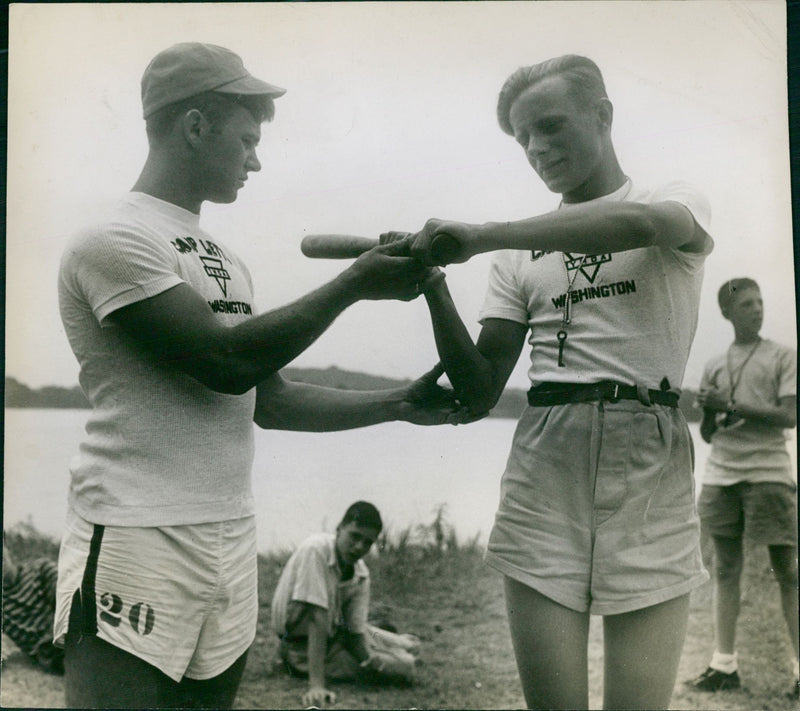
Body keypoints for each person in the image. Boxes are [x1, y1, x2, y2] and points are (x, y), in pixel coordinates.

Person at [54, 42, 469, 709]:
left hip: (228, 532)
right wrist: (356, 280)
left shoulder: (226, 259)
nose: (256, 158)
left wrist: (398, 402)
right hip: (138, 533)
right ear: (194, 126)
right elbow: (227, 362)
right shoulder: (112, 238)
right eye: (246, 139)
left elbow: (265, 398)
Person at [393, 54, 714, 709]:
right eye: (522, 138)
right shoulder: (514, 256)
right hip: (545, 463)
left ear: (602, 115)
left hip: (648, 457)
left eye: (550, 125)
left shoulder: (671, 198)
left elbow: (641, 227)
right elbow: (480, 391)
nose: (536, 148)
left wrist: (481, 233)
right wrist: (433, 287)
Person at [688, 278, 798, 698]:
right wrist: (711, 411)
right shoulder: (715, 363)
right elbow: (711, 434)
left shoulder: (783, 356)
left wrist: (728, 405)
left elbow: (789, 417)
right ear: (727, 313)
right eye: (746, 304)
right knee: (725, 569)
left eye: (759, 301)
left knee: (787, 571)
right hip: (721, 476)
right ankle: (724, 665)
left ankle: (799, 670)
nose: (756, 309)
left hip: (769, 472)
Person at [271, 501, 419, 707]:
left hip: (336, 636)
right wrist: (316, 685)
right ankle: (285, 658)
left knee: (405, 654)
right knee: (406, 668)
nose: (359, 547)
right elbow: (317, 617)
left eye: (367, 542)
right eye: (355, 536)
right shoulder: (316, 550)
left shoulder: (361, 573)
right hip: (300, 646)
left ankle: (399, 643)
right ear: (339, 529)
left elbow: (355, 631)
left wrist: (370, 661)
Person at [2, 544, 64, 675]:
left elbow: (70, 603)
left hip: (71, 635)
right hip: (50, 654)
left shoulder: (41, 569)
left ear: (8, 550)